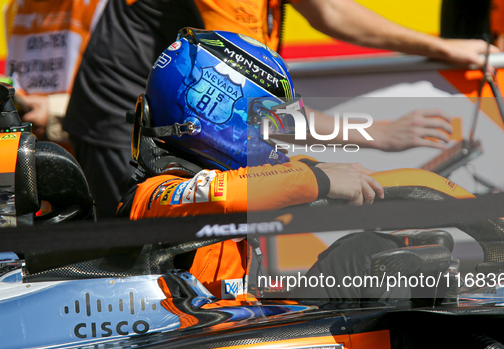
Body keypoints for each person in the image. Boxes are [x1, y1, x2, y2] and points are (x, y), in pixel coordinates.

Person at [66, 0, 494, 218]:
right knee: (162, 268)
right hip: (141, 127)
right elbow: (250, 103)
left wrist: (439, 46)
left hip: (187, 119)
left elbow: (331, 9)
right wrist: (372, 134)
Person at [118, 29, 409, 301]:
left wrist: (389, 184)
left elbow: (269, 177)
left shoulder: (241, 185)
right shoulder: (153, 196)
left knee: (367, 255)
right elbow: (223, 194)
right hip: (178, 346)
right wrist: (316, 180)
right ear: (215, 113)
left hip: (233, 333)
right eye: (267, 123)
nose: (277, 137)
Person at [4, 0, 106, 149]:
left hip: (88, 150)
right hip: (32, 150)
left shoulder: (101, 5)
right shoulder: (14, 8)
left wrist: (53, 110)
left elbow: (120, 91)